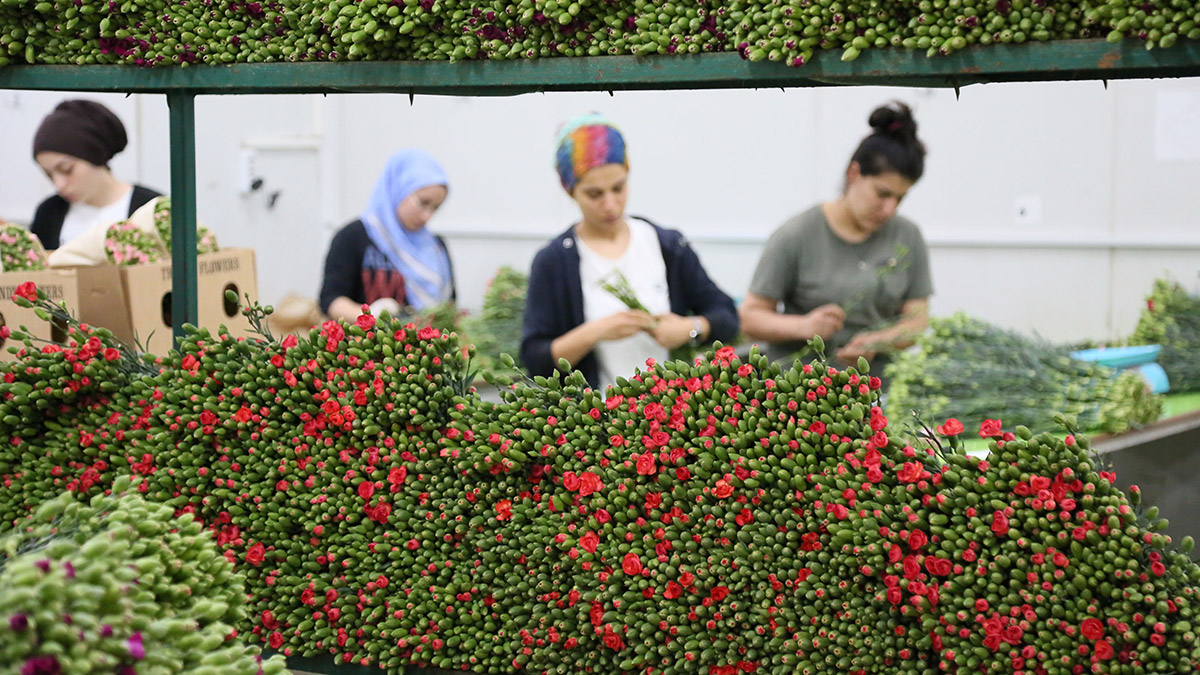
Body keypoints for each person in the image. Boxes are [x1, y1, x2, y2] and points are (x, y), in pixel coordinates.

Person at [521, 113, 739, 391]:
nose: (610, 204)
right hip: (595, 422)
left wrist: (690, 328)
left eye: (618, 187)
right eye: (594, 194)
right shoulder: (554, 261)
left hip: (670, 415)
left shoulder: (666, 245)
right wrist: (597, 332)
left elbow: (726, 316)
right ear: (570, 191)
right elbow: (535, 359)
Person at [740, 101, 933, 376]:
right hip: (801, 391)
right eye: (882, 193)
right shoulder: (797, 234)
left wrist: (879, 342)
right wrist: (804, 327)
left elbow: (917, 321)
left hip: (877, 391)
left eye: (900, 198)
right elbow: (750, 318)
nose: (889, 208)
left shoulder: (908, 236)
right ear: (853, 174)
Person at [319, 149, 455, 322]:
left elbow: (450, 304)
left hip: (424, 346)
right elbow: (331, 299)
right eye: (423, 203)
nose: (427, 216)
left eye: (435, 208)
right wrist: (370, 318)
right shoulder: (353, 237)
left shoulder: (436, 247)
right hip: (364, 345)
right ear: (398, 187)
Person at [30, 99, 161, 250]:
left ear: (95, 156)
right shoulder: (49, 213)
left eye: (67, 169)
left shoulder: (151, 208)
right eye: (49, 175)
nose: (59, 185)